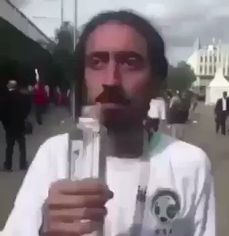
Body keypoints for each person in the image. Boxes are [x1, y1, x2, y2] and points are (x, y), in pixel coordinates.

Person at [2, 11, 215, 236]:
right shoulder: (54, 155)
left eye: (130, 62)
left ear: (156, 81)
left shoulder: (190, 164)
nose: (111, 80)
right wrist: (43, 230)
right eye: (97, 62)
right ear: (82, 78)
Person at [2, 80, 31, 171]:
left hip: (9, 126)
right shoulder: (21, 96)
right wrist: (24, 117)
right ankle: (23, 165)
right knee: (22, 146)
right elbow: (27, 107)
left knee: (9, 146)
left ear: (9, 86)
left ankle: (8, 165)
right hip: (20, 124)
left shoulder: (5, 96)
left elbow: (2, 112)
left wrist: (5, 124)